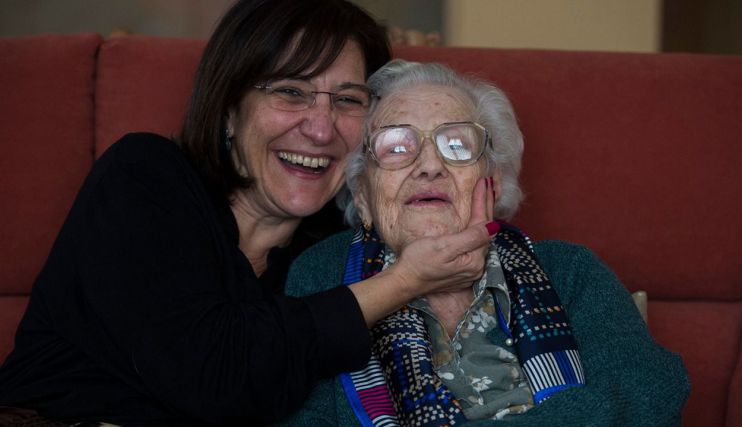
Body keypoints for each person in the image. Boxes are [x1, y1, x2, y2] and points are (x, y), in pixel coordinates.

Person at [0, 2, 497, 425]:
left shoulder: (329, 257)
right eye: (290, 92)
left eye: (348, 100)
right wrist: (406, 281)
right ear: (229, 108)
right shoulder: (145, 179)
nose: (321, 130)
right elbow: (211, 374)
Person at [281, 60, 691, 426]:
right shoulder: (325, 274)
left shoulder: (570, 271)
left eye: (457, 145)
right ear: (363, 196)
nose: (428, 167)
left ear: (493, 182)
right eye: (397, 147)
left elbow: (650, 392)